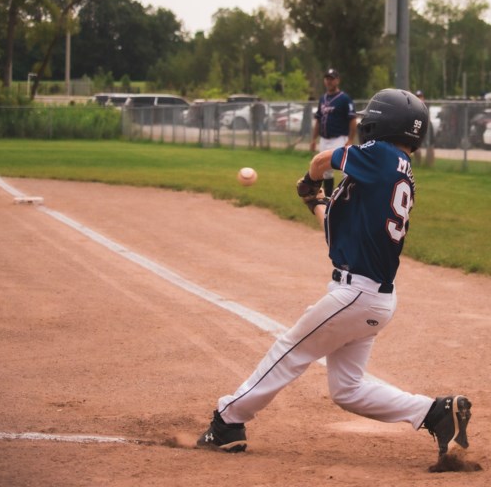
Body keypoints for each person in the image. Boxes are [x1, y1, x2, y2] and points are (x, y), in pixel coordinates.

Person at [197, 88, 473, 461]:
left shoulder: (380, 155)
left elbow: (322, 158)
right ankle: (436, 413)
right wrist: (317, 203)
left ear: (379, 123)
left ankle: (228, 419)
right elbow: (341, 227)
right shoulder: (393, 169)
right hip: (373, 297)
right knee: (347, 389)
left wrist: (311, 181)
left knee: (289, 351)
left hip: (356, 294)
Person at [310, 68, 358, 196]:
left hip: (339, 139)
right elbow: (318, 120)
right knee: (325, 170)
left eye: (332, 79)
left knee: (345, 169)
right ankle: (328, 198)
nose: (329, 81)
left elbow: (353, 120)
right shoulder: (323, 98)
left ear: (338, 80)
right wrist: (314, 139)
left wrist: (350, 139)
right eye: (327, 78)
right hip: (324, 139)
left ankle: (347, 197)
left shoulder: (344, 99)